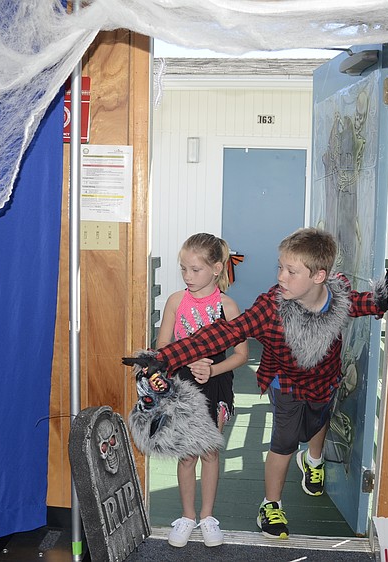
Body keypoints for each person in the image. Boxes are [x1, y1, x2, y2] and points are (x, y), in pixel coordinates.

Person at [127, 227, 388, 539]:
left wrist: (378, 301)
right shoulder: (270, 306)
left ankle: (312, 457)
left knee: (316, 422)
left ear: (319, 276)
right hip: (284, 381)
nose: (281, 277)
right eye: (280, 268)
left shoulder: (337, 298)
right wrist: (168, 357)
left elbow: (358, 303)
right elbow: (224, 333)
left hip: (323, 381)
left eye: (291, 271)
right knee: (283, 442)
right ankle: (271, 505)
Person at [156, 233, 249, 548]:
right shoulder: (175, 302)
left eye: (195, 270)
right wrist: (180, 362)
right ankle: (187, 515)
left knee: (209, 451)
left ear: (216, 268)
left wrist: (212, 369)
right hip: (182, 384)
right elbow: (163, 348)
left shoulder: (228, 306)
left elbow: (241, 355)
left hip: (216, 381)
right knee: (186, 454)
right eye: (183, 269)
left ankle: (208, 516)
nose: (187, 276)